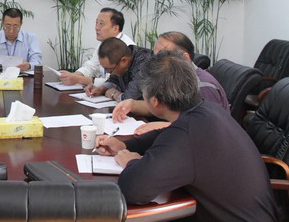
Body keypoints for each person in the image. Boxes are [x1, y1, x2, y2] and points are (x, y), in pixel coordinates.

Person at [96, 52, 277, 221]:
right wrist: (125, 146)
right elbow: (166, 134)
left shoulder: (188, 134)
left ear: (155, 101)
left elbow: (133, 190)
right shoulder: (205, 110)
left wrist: (131, 161)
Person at [113, 31, 229, 134]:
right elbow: (161, 107)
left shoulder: (203, 86)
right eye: (155, 56)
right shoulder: (173, 79)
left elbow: (206, 127)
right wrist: (132, 104)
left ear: (185, 58)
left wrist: (166, 126)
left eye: (163, 56)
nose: (156, 62)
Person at [60, 8, 135, 86]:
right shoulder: (106, 43)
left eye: (101, 24)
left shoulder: (127, 47)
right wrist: (74, 75)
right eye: (96, 23)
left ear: (115, 28)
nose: (97, 28)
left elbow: (115, 82)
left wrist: (78, 79)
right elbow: (91, 66)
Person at [87, 37, 152, 101]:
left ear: (124, 61)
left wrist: (114, 94)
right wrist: (101, 89)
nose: (108, 73)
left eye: (109, 69)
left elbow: (130, 98)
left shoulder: (145, 62)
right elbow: (114, 79)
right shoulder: (123, 57)